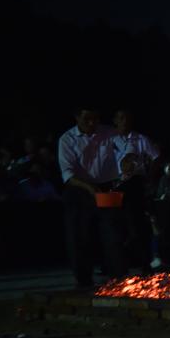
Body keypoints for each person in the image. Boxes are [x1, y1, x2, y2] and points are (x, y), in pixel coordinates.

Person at [58, 107, 126, 287]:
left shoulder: (108, 133)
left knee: (112, 233)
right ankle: (84, 280)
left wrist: (129, 161)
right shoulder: (67, 139)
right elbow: (68, 174)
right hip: (79, 189)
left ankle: (118, 277)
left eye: (95, 119)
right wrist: (89, 187)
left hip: (106, 188)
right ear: (76, 117)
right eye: (86, 119)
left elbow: (125, 150)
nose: (91, 123)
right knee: (80, 236)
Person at [112, 110, 159, 177]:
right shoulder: (109, 139)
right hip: (114, 182)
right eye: (121, 118)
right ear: (115, 120)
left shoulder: (142, 139)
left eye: (128, 118)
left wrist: (150, 176)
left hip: (136, 181)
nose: (125, 121)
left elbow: (156, 157)